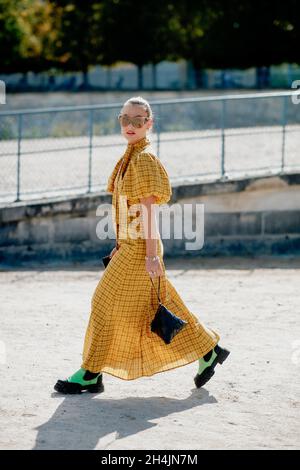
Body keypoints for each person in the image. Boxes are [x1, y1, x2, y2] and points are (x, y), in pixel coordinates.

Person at [54, 96, 230, 394]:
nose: (131, 125)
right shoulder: (130, 156)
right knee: (161, 305)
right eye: (125, 119)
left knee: (103, 303)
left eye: (138, 120)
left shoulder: (143, 159)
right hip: (131, 247)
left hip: (141, 251)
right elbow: (129, 210)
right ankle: (208, 350)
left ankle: (90, 372)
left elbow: (149, 212)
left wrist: (150, 256)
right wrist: (119, 244)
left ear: (149, 123)